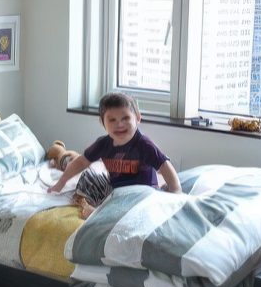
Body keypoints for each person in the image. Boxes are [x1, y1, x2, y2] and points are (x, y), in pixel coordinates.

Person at [47, 92, 181, 219]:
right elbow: (81, 162)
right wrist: (60, 183)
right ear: (102, 122)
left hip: (141, 195)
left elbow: (164, 165)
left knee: (143, 207)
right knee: (88, 177)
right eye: (112, 120)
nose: (119, 124)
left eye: (125, 118)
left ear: (138, 118)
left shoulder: (144, 145)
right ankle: (98, 207)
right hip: (115, 191)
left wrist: (176, 193)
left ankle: (101, 213)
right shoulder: (103, 144)